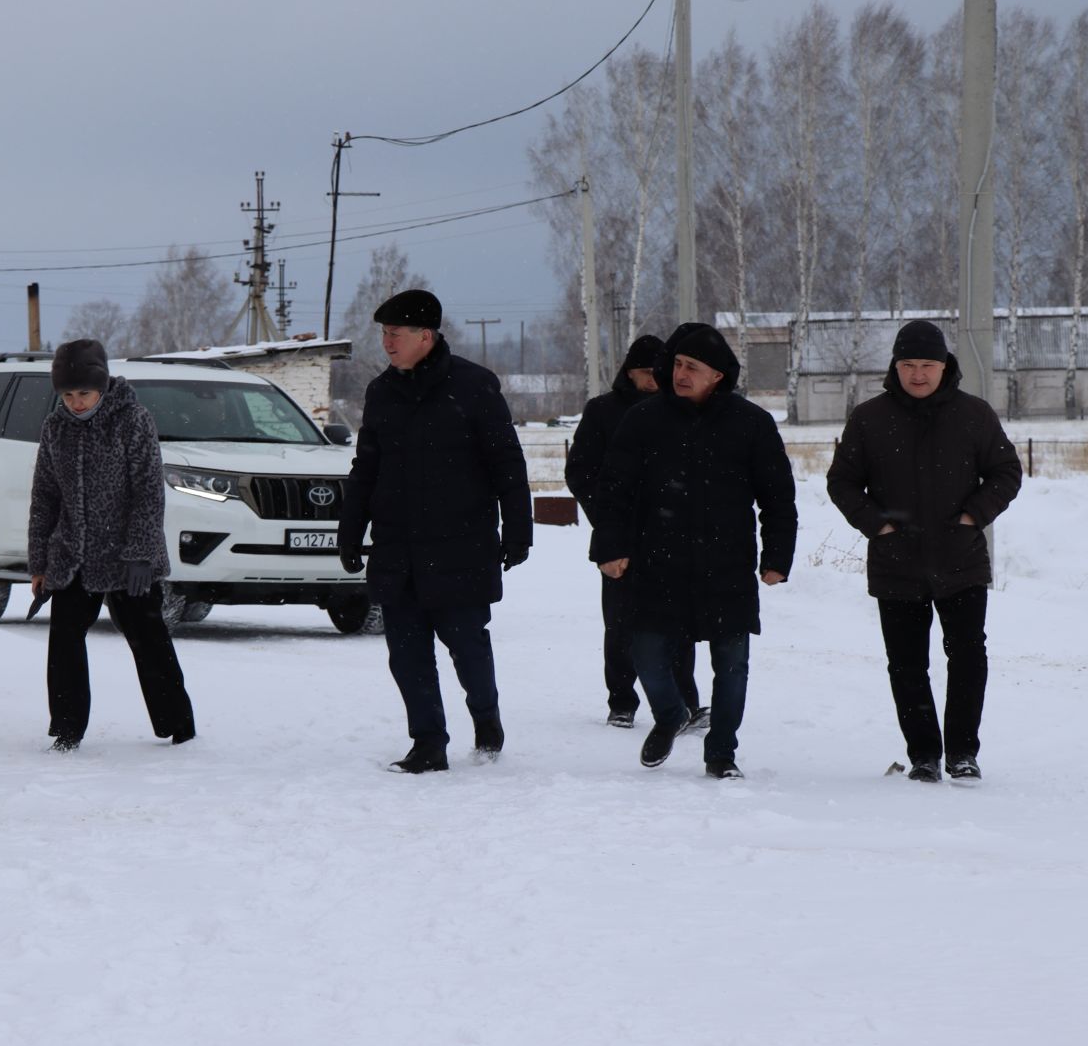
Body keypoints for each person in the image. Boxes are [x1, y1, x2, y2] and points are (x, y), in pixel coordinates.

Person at [337, 289, 534, 774]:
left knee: (468, 648)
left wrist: (519, 529)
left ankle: (486, 718)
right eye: (383, 333)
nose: (386, 342)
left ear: (426, 336)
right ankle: (428, 742)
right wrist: (350, 528)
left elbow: (507, 463)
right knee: (407, 656)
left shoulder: (474, 386)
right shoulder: (382, 391)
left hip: (460, 544)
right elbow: (367, 466)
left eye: (395, 333)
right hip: (397, 546)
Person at [591, 323, 797, 779]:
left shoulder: (751, 423)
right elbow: (614, 491)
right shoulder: (644, 419)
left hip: (726, 564)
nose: (681, 374)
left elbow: (778, 496)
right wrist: (611, 546)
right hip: (657, 562)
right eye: (678, 364)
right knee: (645, 653)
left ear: (718, 376)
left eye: (693, 368)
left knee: (732, 665)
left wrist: (777, 557)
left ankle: (721, 751)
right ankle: (669, 715)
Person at [825, 319, 1022, 783]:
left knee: (968, 657)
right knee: (908, 664)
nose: (918, 374)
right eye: (908, 365)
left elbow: (1006, 472)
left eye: (927, 365)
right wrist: (880, 527)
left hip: (962, 559)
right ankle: (924, 756)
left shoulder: (974, 415)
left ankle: (962, 753)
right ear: (895, 367)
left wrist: (972, 517)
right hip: (897, 563)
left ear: (944, 366)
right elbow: (842, 482)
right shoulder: (870, 419)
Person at [28, 338, 196, 752]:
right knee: (65, 641)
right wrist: (40, 563)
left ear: (101, 386)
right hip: (73, 556)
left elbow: (148, 493)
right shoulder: (55, 428)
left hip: (127, 558)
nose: (76, 403)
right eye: (67, 395)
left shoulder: (132, 420)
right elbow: (44, 497)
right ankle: (66, 729)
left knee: (148, 639)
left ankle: (178, 726)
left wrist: (140, 554)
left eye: (83, 393)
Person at [565, 334, 701, 730]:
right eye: (646, 372)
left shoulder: (684, 412)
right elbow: (581, 472)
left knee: (680, 624)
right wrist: (609, 518)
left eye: (661, 371)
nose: (656, 379)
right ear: (629, 371)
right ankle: (622, 701)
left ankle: (686, 701)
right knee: (621, 623)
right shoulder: (604, 411)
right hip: (620, 539)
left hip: (674, 536)